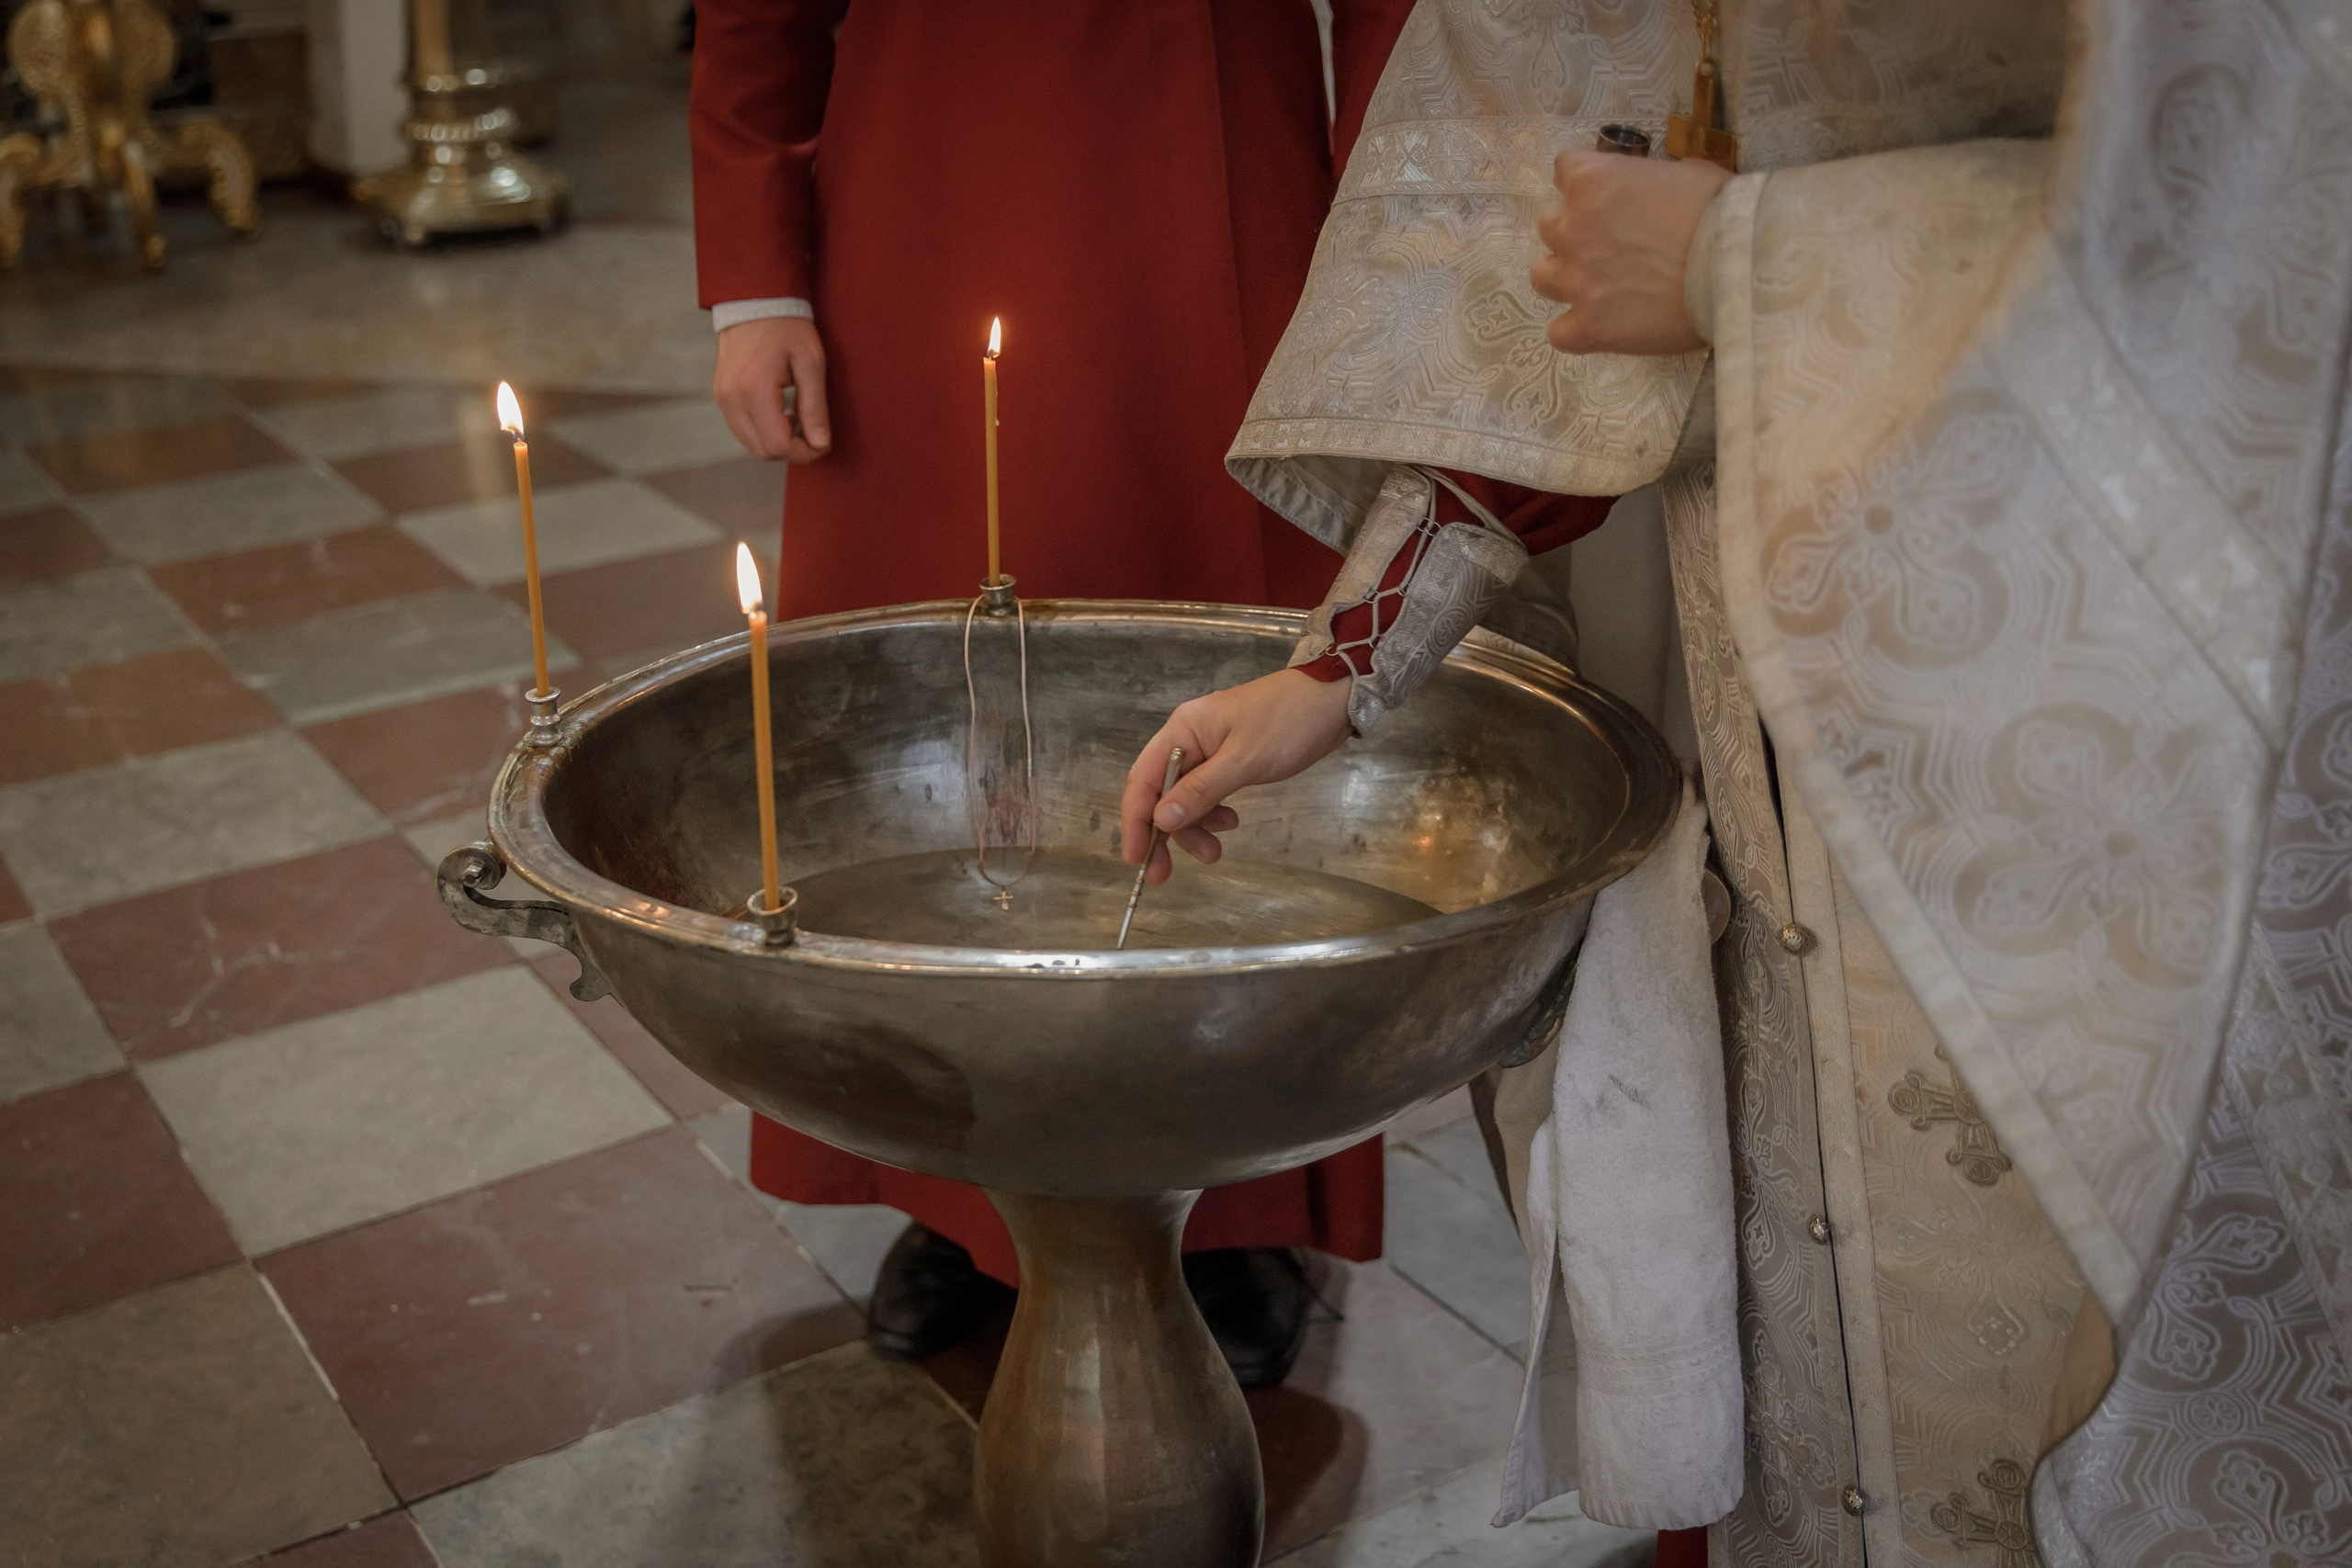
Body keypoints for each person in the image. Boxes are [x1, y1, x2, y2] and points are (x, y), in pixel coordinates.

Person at [1122, 0, 2352, 1562]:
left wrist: (1739, 262)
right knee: (1819, 1340)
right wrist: (1342, 665)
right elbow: (1547, 248)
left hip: (2109, 753)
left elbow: (2273, 199)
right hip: (1759, 739)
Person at [687, 0, 1433, 1388]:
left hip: (1213, 179)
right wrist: (758, 279)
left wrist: (1404, 242)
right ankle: (943, 1189)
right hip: (910, 189)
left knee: (1215, 688)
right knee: (925, 719)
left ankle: (1233, 1205)